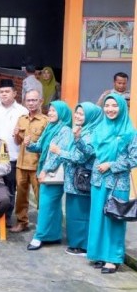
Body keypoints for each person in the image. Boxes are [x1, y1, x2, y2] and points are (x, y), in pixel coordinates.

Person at [87, 94, 135, 273]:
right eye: (107, 105)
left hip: (117, 183)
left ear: (122, 107)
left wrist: (111, 165)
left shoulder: (129, 132)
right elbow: (91, 152)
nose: (110, 109)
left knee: (114, 219)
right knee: (98, 218)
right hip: (98, 181)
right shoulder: (99, 129)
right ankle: (98, 254)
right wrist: (77, 139)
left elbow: (134, 159)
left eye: (115, 105)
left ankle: (112, 258)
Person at [25, 101, 73, 251]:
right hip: (48, 172)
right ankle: (53, 235)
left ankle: (39, 236)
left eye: (54, 111)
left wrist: (45, 170)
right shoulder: (50, 127)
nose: (51, 113)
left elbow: (57, 155)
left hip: (53, 174)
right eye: (50, 110)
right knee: (53, 206)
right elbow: (40, 146)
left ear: (62, 113)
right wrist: (29, 144)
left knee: (46, 205)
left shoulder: (65, 130)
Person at [62, 102, 102, 255]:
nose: (77, 116)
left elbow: (81, 156)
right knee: (73, 212)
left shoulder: (92, 133)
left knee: (82, 212)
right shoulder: (80, 130)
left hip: (83, 180)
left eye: (81, 114)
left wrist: (60, 152)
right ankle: (75, 243)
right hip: (73, 179)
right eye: (76, 113)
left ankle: (83, 245)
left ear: (90, 116)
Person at [0, 78, 28, 224]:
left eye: (7, 91)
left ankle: (6, 217)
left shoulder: (22, 111)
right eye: (1, 92)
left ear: (15, 93)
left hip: (13, 154)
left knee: (10, 187)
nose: (4, 94)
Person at [10, 89, 49, 233]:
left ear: (41, 101)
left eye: (34, 100)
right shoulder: (22, 119)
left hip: (37, 165)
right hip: (21, 164)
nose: (31, 103)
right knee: (20, 196)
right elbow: (17, 141)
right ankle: (22, 222)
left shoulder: (45, 121)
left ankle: (44, 224)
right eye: (28, 100)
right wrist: (16, 135)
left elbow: (47, 145)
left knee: (41, 197)